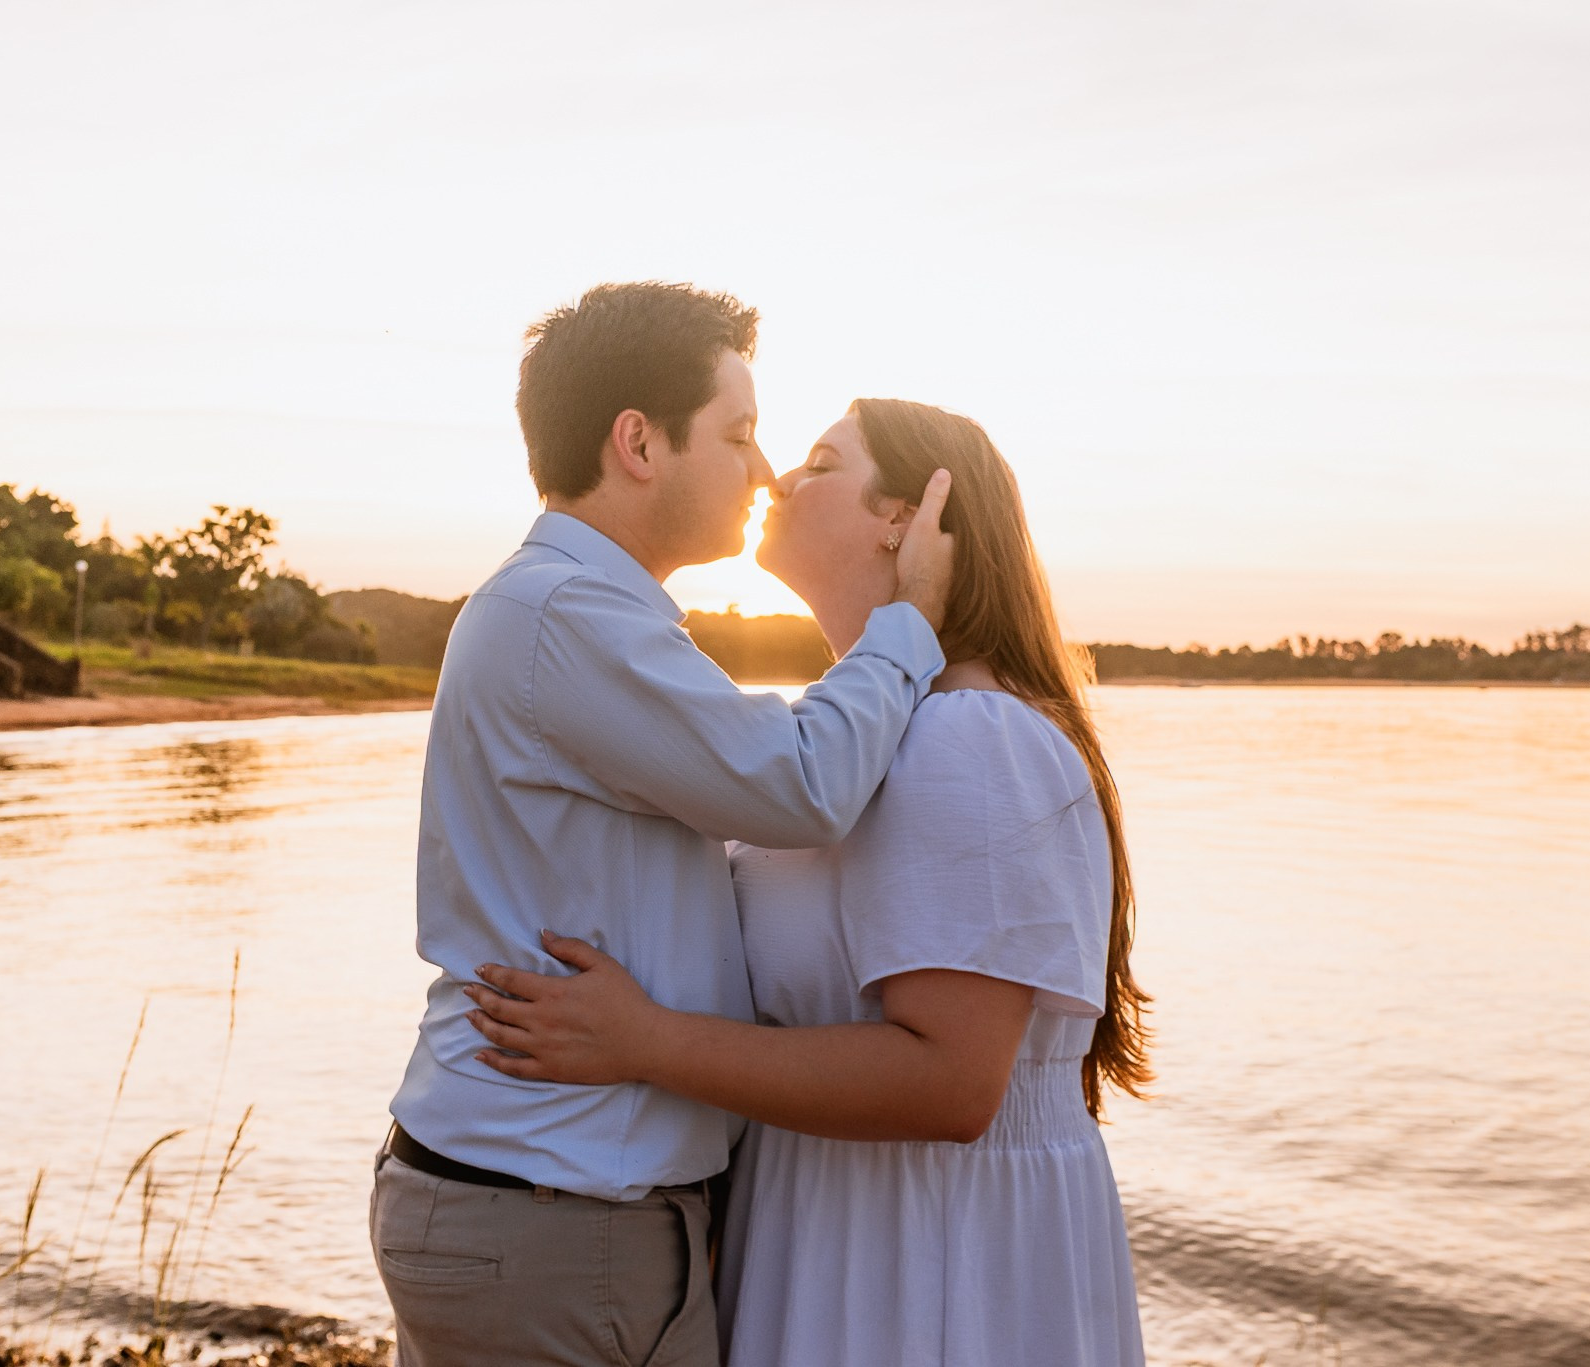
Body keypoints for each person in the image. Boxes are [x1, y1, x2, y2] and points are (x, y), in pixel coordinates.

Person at [463, 398, 1152, 1367]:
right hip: (835, 1226)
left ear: (904, 518)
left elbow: (952, 1082)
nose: (778, 473)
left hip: (925, 1260)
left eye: (822, 460)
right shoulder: (844, 737)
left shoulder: (968, 737)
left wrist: (643, 1039)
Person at [374, 283, 958, 1367]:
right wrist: (908, 622)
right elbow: (799, 782)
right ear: (637, 442)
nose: (764, 468)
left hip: (541, 1204)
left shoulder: (582, 613)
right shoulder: (563, 616)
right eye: (737, 434)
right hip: (554, 1219)